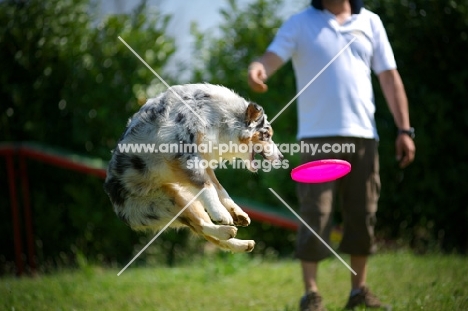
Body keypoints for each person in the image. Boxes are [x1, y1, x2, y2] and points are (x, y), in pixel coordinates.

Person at [247, 0, 415, 310]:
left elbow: (390, 79)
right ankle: (311, 295)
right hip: (316, 138)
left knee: (363, 214)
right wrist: (259, 68)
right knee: (316, 214)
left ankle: (359, 290)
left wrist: (405, 130)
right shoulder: (300, 23)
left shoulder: (371, 23)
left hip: (363, 137)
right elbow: (271, 58)